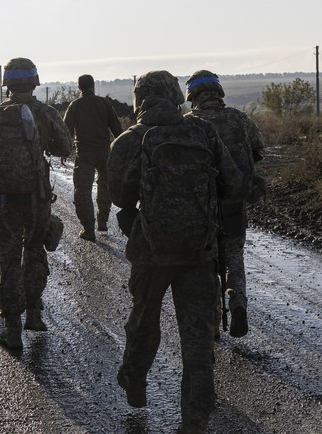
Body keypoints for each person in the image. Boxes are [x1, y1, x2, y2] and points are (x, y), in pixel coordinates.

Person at [108, 70, 242, 433]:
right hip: (199, 250)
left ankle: (134, 379)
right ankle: (194, 418)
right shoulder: (203, 132)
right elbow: (232, 184)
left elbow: (119, 197)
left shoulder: (128, 140)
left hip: (151, 252)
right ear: (174, 97)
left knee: (145, 319)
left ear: (139, 99)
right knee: (197, 336)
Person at [0, 57, 72, 349]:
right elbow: (66, 147)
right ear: (34, 81)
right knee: (34, 251)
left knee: (8, 261)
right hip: (37, 199)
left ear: (7, 83)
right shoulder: (44, 112)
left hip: (4, 199)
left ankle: (12, 330)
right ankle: (34, 314)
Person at [184, 70, 264, 338]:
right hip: (234, 201)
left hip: (201, 206)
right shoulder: (239, 118)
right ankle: (237, 301)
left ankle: (212, 320)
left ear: (192, 96)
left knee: (206, 261)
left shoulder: (188, 123)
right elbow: (259, 147)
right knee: (233, 256)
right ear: (218, 93)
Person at [62, 74, 122, 241]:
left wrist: (65, 151)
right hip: (105, 152)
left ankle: (88, 229)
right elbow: (117, 129)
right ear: (93, 86)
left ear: (79, 87)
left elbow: (66, 131)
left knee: (82, 190)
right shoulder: (104, 103)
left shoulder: (75, 105)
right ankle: (102, 221)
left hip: (85, 154)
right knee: (105, 186)